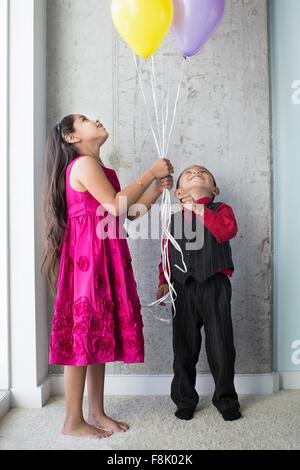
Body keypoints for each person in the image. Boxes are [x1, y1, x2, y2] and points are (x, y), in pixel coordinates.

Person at [41, 114, 174, 439]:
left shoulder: (99, 169)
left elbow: (128, 212)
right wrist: (149, 173)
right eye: (85, 120)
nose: (96, 120)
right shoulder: (83, 164)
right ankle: (72, 420)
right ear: (72, 138)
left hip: (105, 257)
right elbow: (116, 206)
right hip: (88, 261)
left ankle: (96, 412)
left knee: (98, 334)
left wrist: (155, 190)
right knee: (82, 335)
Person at [156, 165, 241, 422]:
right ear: (178, 191)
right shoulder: (172, 217)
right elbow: (166, 252)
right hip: (182, 287)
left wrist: (198, 207)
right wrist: (164, 280)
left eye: (202, 173)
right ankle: (184, 400)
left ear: (214, 190)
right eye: (189, 172)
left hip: (214, 284)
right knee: (183, 348)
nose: (195, 172)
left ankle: (226, 399)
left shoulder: (221, 210)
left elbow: (226, 231)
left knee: (221, 346)